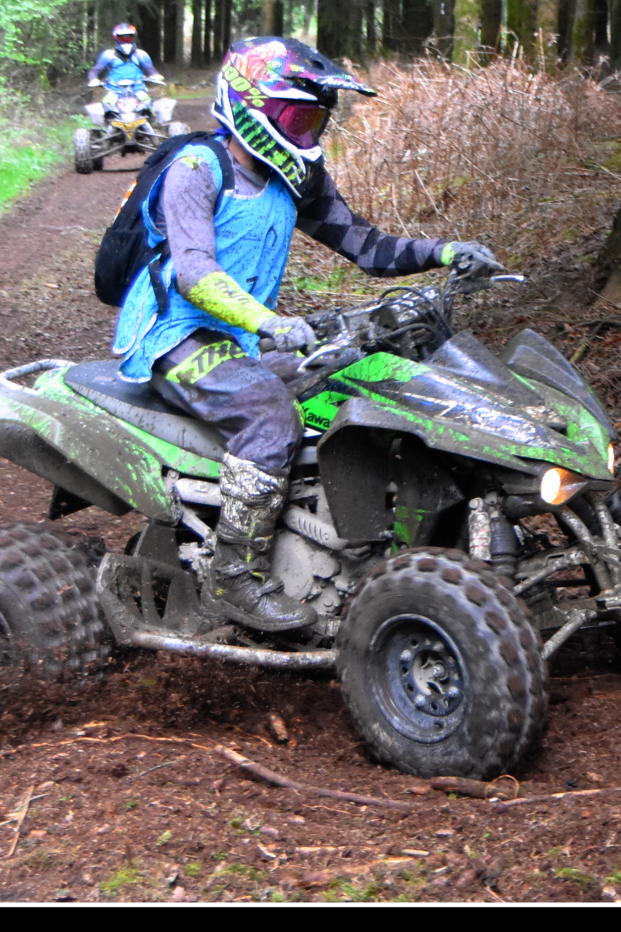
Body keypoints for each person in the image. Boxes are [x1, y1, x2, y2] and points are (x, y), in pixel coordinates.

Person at [110, 36, 499, 632]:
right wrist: (268, 322)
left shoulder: (296, 179)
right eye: (296, 118)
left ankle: (350, 536)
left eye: (316, 120)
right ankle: (233, 577)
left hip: (237, 337)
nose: (307, 132)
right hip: (173, 336)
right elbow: (194, 273)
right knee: (269, 416)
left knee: (353, 380)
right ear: (249, 106)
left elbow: (366, 245)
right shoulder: (196, 170)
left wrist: (446, 251)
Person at [87, 22, 163, 94]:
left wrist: (155, 76)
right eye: (121, 37)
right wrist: (93, 79)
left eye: (128, 37)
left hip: (138, 90)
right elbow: (95, 70)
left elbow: (151, 69)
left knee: (146, 101)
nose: (125, 40)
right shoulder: (109, 54)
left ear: (132, 37)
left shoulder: (141, 54)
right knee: (107, 102)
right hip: (114, 91)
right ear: (116, 38)